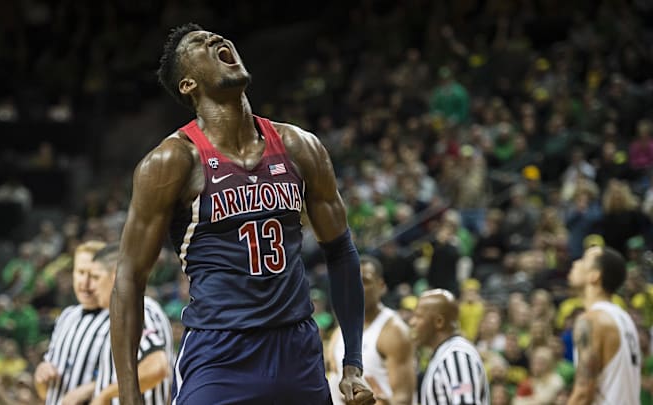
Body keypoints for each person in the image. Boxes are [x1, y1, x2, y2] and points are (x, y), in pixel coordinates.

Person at [110, 23, 373, 405]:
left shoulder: (300, 146)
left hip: (297, 349)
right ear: (188, 85)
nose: (215, 39)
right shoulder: (171, 161)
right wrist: (131, 397)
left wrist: (352, 364)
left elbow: (341, 250)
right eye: (200, 43)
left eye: (216, 36)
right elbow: (129, 279)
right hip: (220, 353)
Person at [87, 243, 174, 405]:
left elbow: (157, 367)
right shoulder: (129, 311)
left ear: (114, 276)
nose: (91, 286)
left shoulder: (136, 310)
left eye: (96, 278)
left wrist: (105, 395)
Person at [328, 256, 416, 404]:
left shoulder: (394, 330)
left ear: (381, 285)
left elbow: (404, 398)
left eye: (364, 281)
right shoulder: (339, 333)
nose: (356, 287)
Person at [34, 240, 109, 405]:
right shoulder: (67, 316)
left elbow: (137, 381)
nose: (85, 282)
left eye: (94, 275)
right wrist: (41, 374)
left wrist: (92, 389)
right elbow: (45, 392)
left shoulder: (121, 322)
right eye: (80, 272)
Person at [566, 246, 641, 404]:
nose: (575, 263)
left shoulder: (592, 320)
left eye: (583, 260)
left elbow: (583, 393)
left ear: (594, 276)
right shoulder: (624, 318)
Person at [410, 289, 489, 405]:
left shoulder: (457, 356)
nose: (412, 322)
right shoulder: (444, 353)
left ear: (439, 322)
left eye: (418, 317)